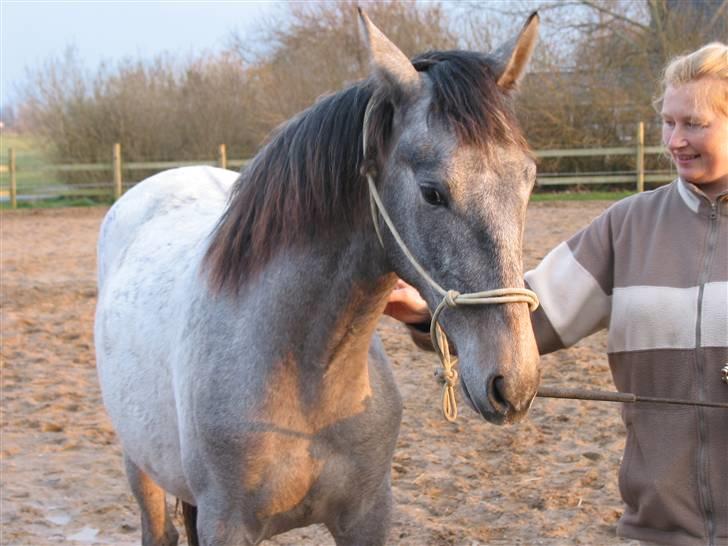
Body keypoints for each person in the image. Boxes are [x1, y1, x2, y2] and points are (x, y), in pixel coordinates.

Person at [385, 42, 728, 546]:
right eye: (667, 122)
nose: (675, 140)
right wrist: (425, 314)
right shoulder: (627, 227)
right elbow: (529, 312)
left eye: (693, 124)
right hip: (658, 529)